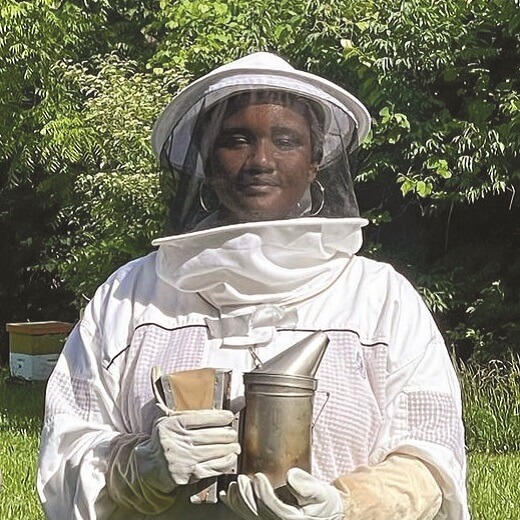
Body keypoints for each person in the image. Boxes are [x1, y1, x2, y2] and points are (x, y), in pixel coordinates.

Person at [37, 52, 469, 519]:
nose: (261, 160)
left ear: (314, 162)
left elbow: (431, 462)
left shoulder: (381, 300)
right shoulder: (130, 296)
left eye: (285, 140)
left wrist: (347, 506)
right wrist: (141, 467)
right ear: (206, 157)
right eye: (237, 140)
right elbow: (67, 452)